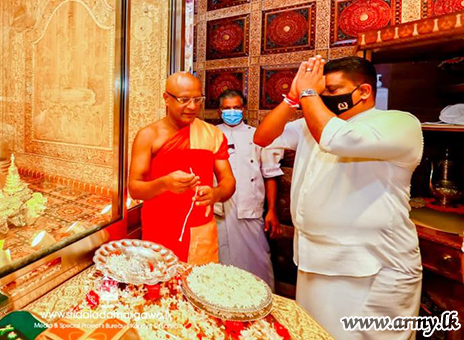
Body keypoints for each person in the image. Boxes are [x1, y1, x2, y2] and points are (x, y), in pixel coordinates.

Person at [254, 55, 422, 340]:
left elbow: (338, 139)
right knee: (314, 333)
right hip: (315, 259)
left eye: (331, 91)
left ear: (364, 91)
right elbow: (263, 137)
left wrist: (308, 94)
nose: (324, 98)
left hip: (372, 267)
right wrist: (293, 98)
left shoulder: (398, 123)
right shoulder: (314, 125)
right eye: (322, 92)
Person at [128, 72, 235, 264]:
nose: (192, 106)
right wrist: (164, 184)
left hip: (201, 231)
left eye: (197, 99)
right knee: (161, 287)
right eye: (184, 100)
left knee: (198, 286)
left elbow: (228, 181)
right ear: (166, 99)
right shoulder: (148, 136)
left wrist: (216, 193)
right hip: (160, 230)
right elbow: (135, 188)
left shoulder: (212, 134)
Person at [214, 89, 282, 290]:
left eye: (236, 107)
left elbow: (270, 175)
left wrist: (272, 211)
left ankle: (261, 297)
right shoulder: (211, 134)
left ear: (243, 109)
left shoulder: (258, 135)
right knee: (220, 259)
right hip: (218, 209)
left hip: (249, 208)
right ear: (219, 111)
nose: (232, 112)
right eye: (227, 108)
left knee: (256, 260)